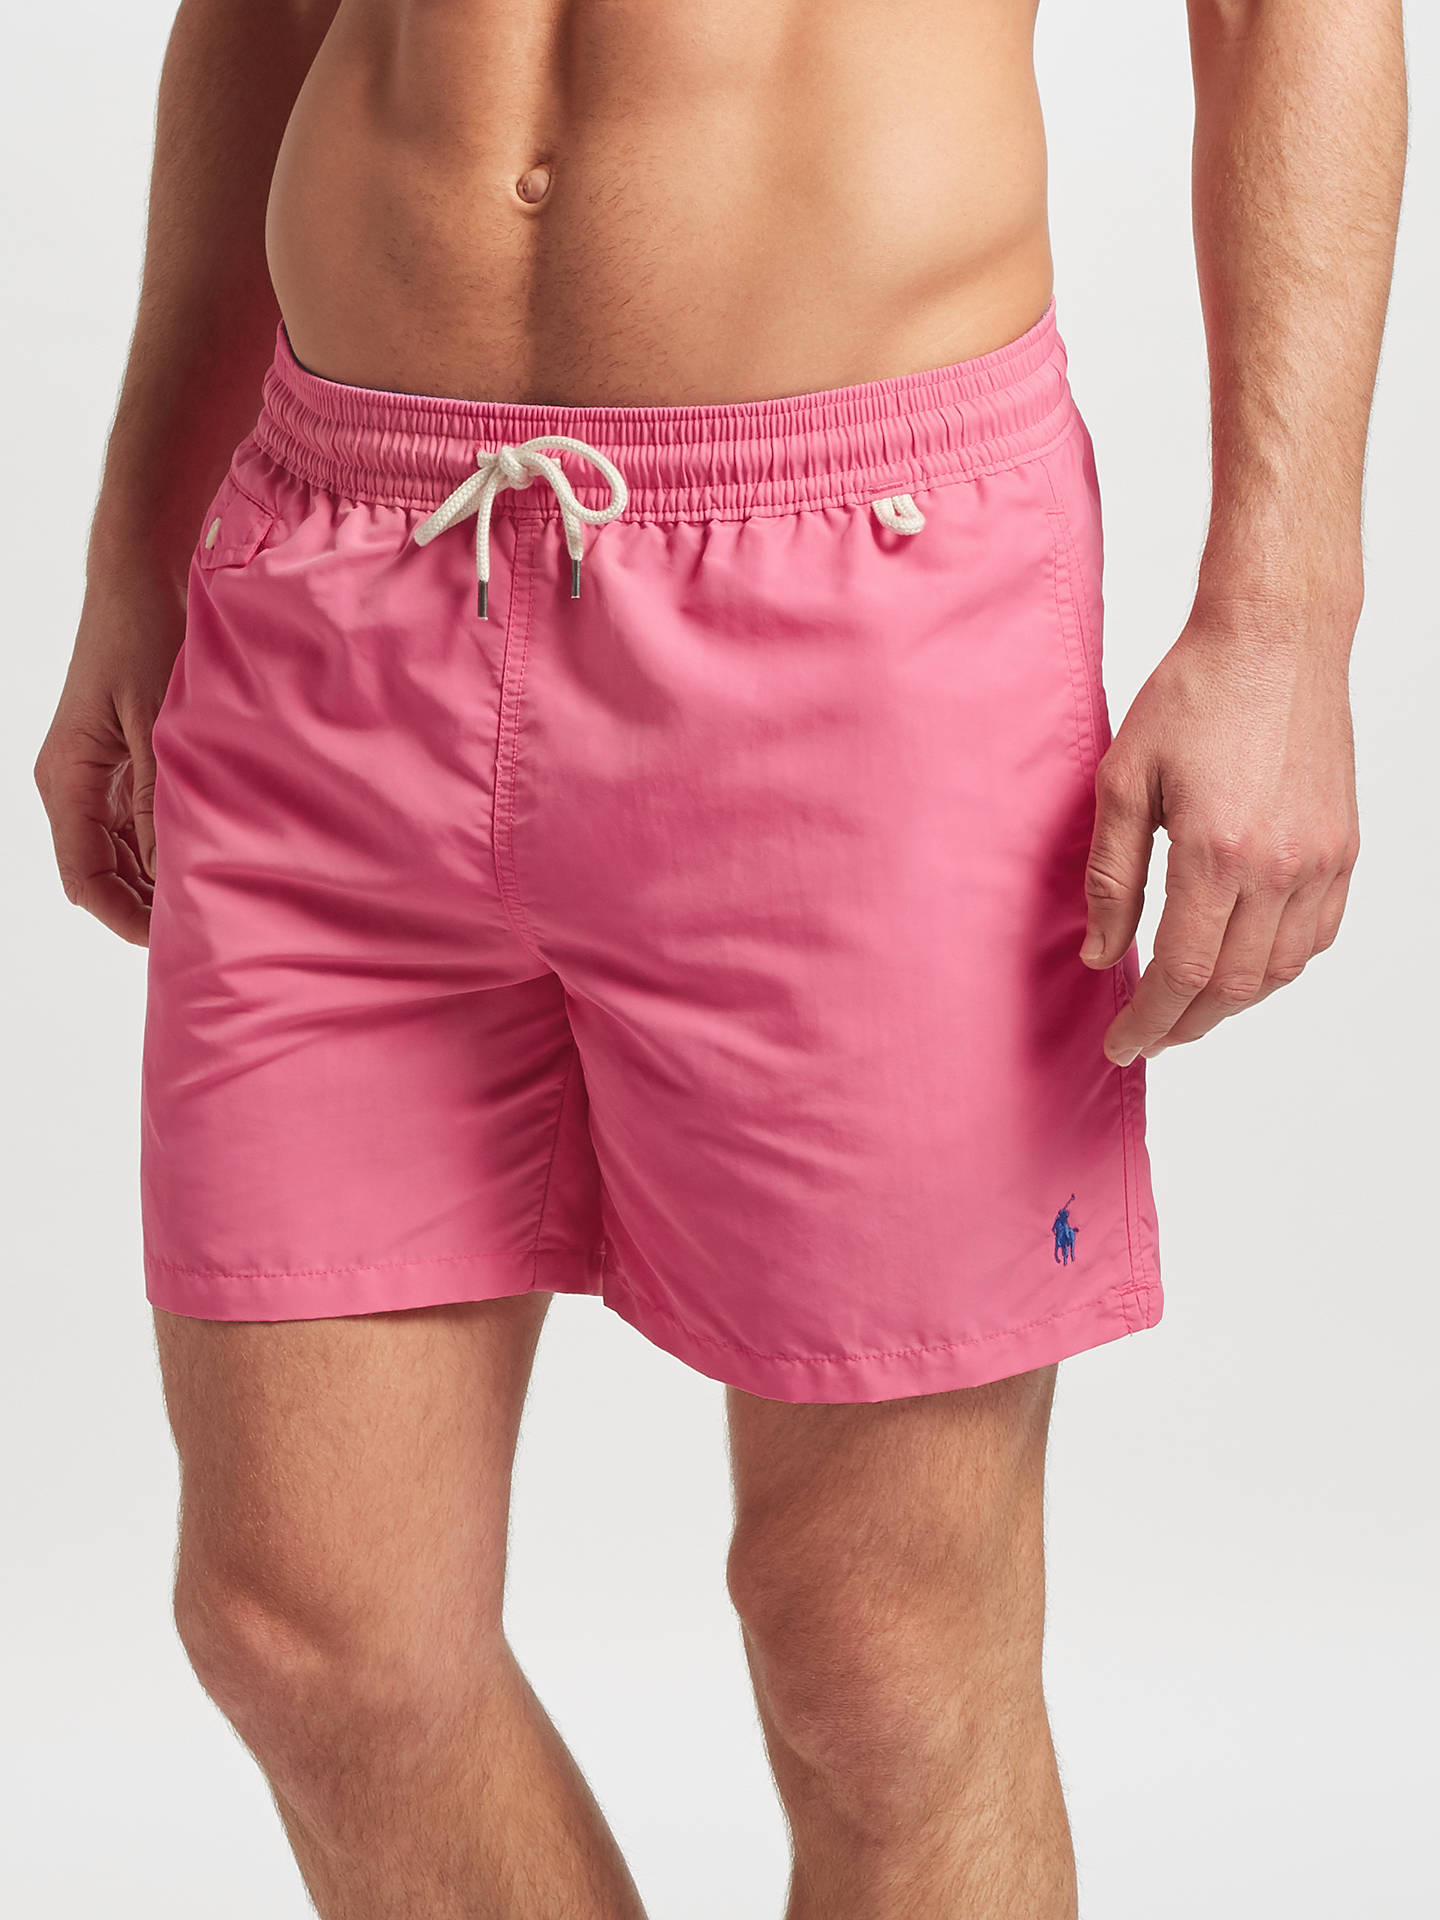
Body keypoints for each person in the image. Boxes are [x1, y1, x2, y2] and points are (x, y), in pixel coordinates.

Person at [33, 3, 1405, 1914]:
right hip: (340, 573)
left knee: (880, 1657)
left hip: (861, 592)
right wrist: (134, 551)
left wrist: (1285, 616)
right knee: (309, 1629)